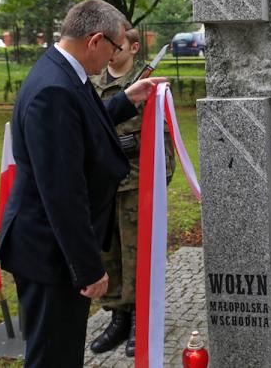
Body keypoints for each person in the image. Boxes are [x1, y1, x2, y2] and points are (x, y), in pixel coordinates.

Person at [0, 0, 165, 367]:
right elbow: (63, 192)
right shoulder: (55, 89)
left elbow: (78, 124)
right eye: (115, 48)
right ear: (95, 40)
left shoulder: (61, 72)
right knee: (53, 356)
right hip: (49, 252)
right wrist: (88, 268)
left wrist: (125, 101)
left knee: (61, 352)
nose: (114, 57)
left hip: (50, 246)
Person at [89, 28, 175, 356]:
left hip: (139, 181)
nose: (111, 53)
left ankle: (142, 318)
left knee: (138, 252)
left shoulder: (147, 83)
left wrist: (161, 178)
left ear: (133, 47)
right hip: (106, 185)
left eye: (118, 46)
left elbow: (163, 133)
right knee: (110, 253)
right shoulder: (94, 85)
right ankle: (119, 317)